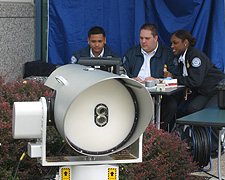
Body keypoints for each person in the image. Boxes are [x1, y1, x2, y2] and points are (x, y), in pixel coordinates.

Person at [165, 29, 225, 154]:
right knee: (193, 109)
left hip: (219, 89)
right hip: (206, 91)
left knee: (210, 114)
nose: (172, 46)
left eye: (175, 43)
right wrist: (188, 86)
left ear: (185, 42)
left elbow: (195, 80)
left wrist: (173, 78)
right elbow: (191, 79)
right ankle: (200, 142)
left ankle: (215, 147)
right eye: (171, 43)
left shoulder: (194, 56)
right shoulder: (183, 58)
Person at [123, 23, 179, 131]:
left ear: (156, 38)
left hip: (160, 96)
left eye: (147, 38)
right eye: (141, 38)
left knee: (171, 104)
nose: (143, 41)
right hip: (135, 94)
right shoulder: (131, 53)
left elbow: (175, 77)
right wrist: (130, 79)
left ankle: (158, 134)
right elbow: (121, 73)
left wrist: (157, 81)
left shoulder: (167, 54)